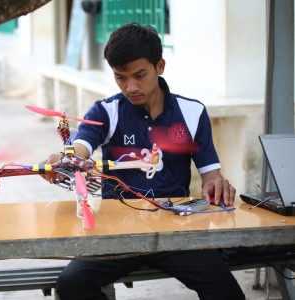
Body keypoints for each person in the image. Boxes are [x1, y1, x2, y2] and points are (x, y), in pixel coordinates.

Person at [44, 23, 245, 299]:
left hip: (176, 231)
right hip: (118, 234)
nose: (131, 87)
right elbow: (81, 146)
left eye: (140, 75)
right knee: (71, 284)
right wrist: (65, 159)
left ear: (159, 66)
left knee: (227, 293)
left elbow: (211, 175)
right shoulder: (107, 111)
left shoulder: (191, 112)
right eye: (120, 78)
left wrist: (217, 185)